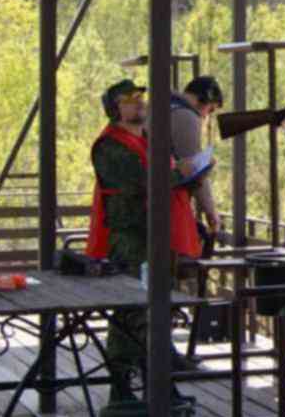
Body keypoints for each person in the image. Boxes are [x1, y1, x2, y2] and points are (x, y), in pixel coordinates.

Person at [88, 78, 201, 397]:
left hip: (156, 235)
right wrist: (181, 173)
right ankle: (124, 383)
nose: (139, 102)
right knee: (131, 312)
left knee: (153, 309)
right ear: (114, 108)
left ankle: (152, 380)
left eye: (139, 97)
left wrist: (189, 175)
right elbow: (142, 182)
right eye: (128, 99)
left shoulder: (149, 138)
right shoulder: (109, 145)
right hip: (131, 239)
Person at [170, 76, 225, 242]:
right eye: (211, 109)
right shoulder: (185, 116)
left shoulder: (165, 107)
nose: (208, 115)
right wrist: (210, 211)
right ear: (203, 100)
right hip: (168, 200)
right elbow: (193, 168)